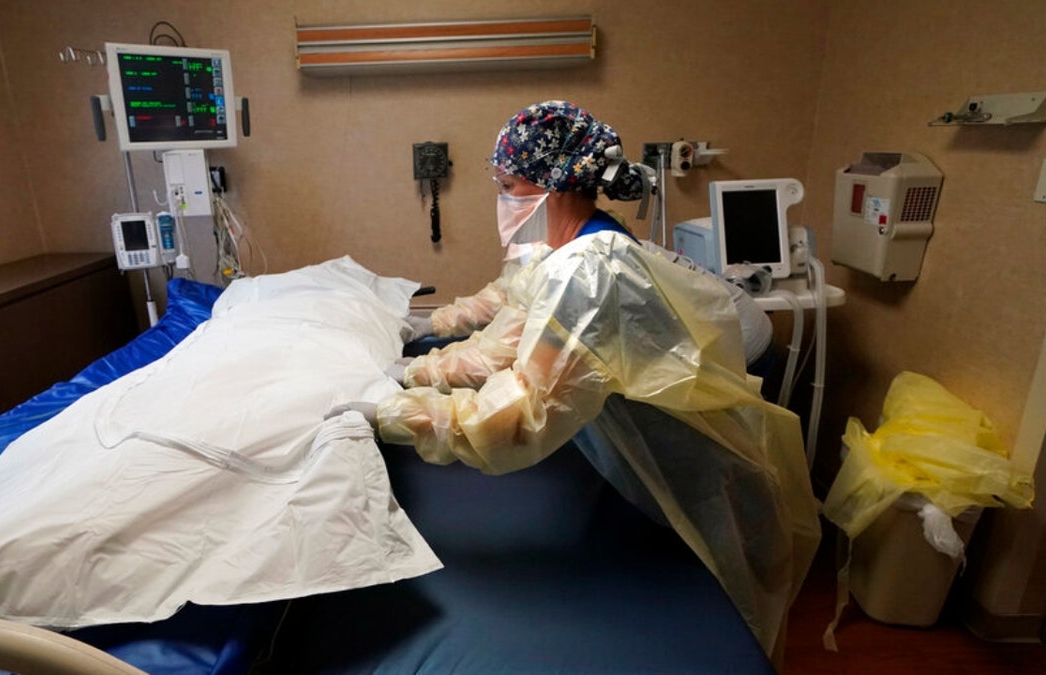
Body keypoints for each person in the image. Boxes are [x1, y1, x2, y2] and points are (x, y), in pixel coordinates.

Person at [330, 101, 819, 660]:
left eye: (509, 185)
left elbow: (521, 420)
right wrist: (420, 355)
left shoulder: (589, 272)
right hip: (681, 368)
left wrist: (392, 415)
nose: (502, 199)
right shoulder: (557, 243)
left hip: (713, 404)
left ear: (556, 186)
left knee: (715, 546)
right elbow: (507, 321)